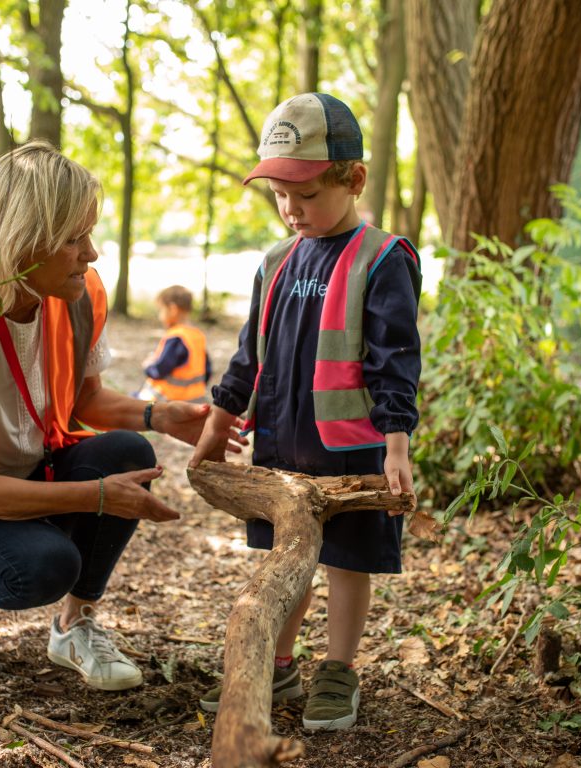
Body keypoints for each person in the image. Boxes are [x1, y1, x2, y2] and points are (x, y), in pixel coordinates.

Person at [0, 142, 242, 691]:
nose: (93, 253)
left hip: (28, 470)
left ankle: (73, 625)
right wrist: (97, 497)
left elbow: (85, 403)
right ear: (23, 241)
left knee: (130, 452)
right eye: (75, 238)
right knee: (44, 568)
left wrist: (160, 414)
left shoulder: (75, 294)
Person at [189, 93, 422, 729]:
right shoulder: (275, 261)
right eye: (279, 195)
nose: (292, 209)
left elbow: (395, 357)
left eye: (308, 194)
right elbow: (248, 355)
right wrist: (217, 427)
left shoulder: (383, 258)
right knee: (286, 561)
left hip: (352, 451)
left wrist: (396, 443)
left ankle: (339, 670)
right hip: (281, 449)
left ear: (353, 180)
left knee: (348, 560)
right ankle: (280, 664)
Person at [136, 284, 211, 403]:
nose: (160, 316)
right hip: (196, 400)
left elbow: (160, 370)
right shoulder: (198, 336)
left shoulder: (176, 338)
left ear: (172, 309)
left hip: (169, 400)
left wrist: (148, 366)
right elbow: (207, 370)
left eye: (161, 310)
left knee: (134, 399)